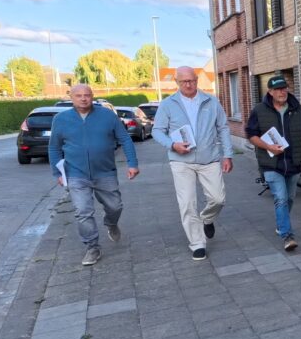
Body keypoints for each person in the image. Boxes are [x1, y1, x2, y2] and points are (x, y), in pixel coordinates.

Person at [49, 84, 139, 266]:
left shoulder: (107, 115)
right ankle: (92, 247)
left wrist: (132, 163)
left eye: (87, 95)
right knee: (83, 212)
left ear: (92, 96)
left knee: (115, 207)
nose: (83, 98)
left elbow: (124, 138)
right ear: (71, 97)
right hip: (76, 174)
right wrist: (57, 172)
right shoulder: (61, 119)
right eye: (79, 95)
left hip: (105, 172)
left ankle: (111, 223)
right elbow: (54, 147)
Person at [151, 66, 233, 261]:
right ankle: (197, 243)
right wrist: (172, 145)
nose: (188, 85)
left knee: (218, 198)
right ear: (177, 82)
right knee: (187, 203)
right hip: (181, 161)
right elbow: (157, 131)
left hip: (209, 158)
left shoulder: (211, 101)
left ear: (197, 80)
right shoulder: (168, 104)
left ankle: (207, 218)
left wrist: (228, 155)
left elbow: (222, 128)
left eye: (192, 81)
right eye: (184, 82)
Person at [246, 75, 301, 251]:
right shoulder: (259, 110)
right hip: (271, 163)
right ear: (270, 92)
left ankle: (281, 225)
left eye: (284, 88)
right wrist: (268, 146)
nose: (282, 92)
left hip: (294, 162)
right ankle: (287, 235)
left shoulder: (297, 109)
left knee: (290, 198)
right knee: (280, 197)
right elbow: (251, 134)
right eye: (278, 89)